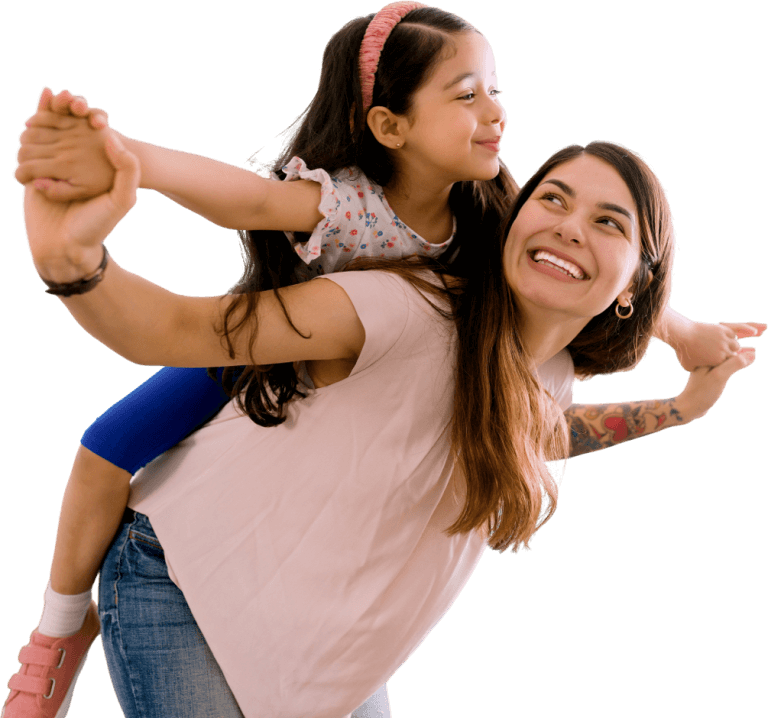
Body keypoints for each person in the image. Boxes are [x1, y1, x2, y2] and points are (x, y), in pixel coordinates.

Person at [7, 4, 764, 718]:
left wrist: (683, 379)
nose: (570, 229)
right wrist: (102, 205)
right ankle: (60, 627)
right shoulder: (386, 269)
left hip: (324, 650)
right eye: (557, 201)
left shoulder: (531, 312)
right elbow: (215, 261)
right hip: (191, 568)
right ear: (388, 124)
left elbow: (540, 422)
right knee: (109, 444)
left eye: (607, 221)